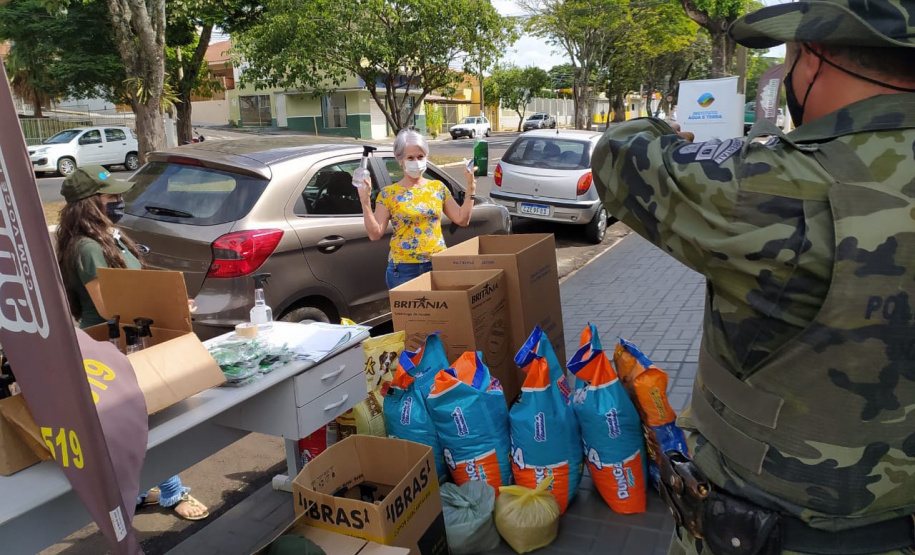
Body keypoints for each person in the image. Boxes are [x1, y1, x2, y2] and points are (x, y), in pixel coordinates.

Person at [590, 0, 915, 553]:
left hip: (767, 533)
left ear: (812, 59)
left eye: (789, 58)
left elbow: (619, 157)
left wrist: (664, 127)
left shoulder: (780, 186)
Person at [56, 165, 210, 522]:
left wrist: (170, 304)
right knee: (145, 423)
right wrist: (165, 307)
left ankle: (140, 492)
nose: (120, 202)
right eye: (111, 198)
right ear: (89, 204)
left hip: (134, 338)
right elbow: (108, 307)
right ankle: (172, 492)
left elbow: (131, 288)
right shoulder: (87, 248)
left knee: (138, 423)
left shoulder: (109, 236)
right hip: (116, 347)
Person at [358, 129, 477, 288]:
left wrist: (471, 187)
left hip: (438, 264)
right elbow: (375, 234)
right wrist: (365, 201)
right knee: (410, 313)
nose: (416, 161)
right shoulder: (389, 194)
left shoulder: (437, 188)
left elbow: (462, 219)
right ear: (400, 160)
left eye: (420, 157)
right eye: (410, 158)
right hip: (404, 269)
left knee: (441, 312)